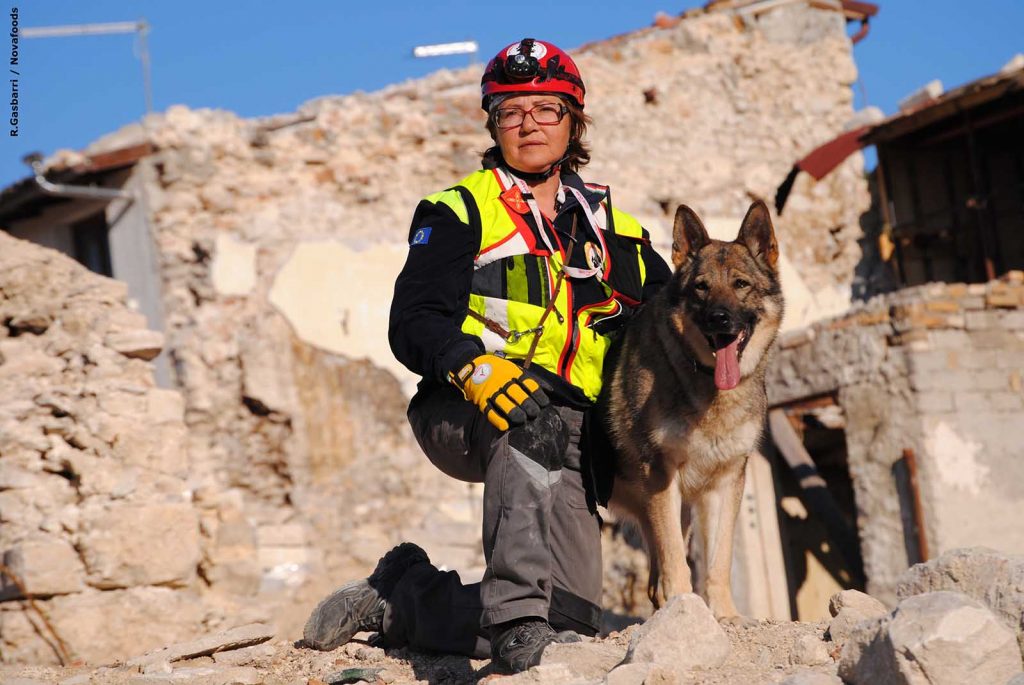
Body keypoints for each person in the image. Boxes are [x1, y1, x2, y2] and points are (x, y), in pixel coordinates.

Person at [303, 37, 672, 674]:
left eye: (546, 109)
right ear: (492, 123)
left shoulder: (621, 232)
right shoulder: (457, 210)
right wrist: (473, 367)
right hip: (467, 408)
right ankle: (519, 623)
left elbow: (674, 320)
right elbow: (412, 321)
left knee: (572, 622)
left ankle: (401, 597)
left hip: (578, 437)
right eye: (510, 111)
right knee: (529, 418)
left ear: (573, 121)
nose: (528, 124)